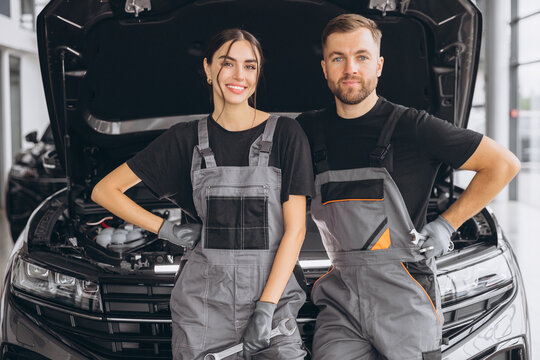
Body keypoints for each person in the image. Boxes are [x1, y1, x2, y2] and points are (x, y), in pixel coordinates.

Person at [297, 14, 520, 360]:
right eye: (338, 58)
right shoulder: (307, 131)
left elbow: (503, 164)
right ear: (324, 67)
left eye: (362, 56)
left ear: (379, 65)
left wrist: (447, 223)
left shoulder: (414, 127)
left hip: (404, 297)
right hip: (339, 300)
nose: (350, 68)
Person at [92, 29, 313, 360]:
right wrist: (166, 229)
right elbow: (104, 190)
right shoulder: (184, 139)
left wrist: (266, 308)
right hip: (203, 311)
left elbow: (295, 231)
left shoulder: (286, 134)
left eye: (250, 66)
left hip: (275, 304)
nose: (240, 75)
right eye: (228, 63)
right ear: (208, 69)